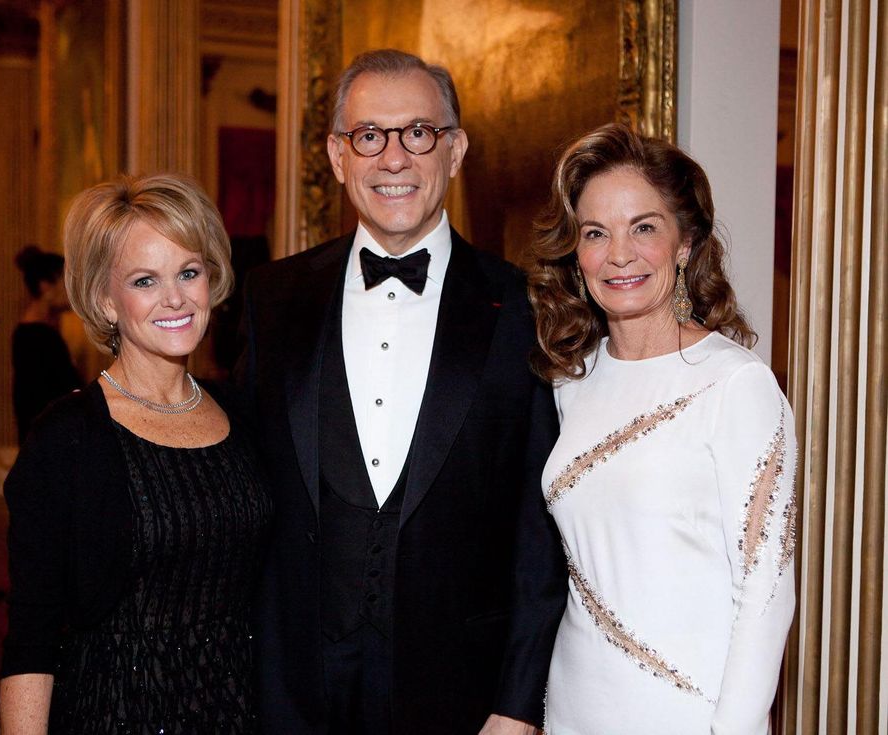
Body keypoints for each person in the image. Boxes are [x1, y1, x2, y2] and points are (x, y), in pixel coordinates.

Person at [237, 49, 567, 735]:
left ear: (455, 150)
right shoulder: (269, 298)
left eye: (419, 132)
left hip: (460, 694)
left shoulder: (525, 307)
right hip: (293, 690)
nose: (394, 158)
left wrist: (517, 702)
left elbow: (540, 531)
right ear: (336, 155)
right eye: (369, 136)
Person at [529, 123, 796, 734]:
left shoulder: (736, 385)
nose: (619, 254)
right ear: (576, 251)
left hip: (685, 712)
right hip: (571, 705)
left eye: (644, 227)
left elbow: (766, 593)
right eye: (596, 233)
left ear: (685, 242)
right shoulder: (570, 381)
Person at [0, 173, 272, 734]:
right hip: (117, 714)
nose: (175, 298)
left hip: (240, 713)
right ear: (104, 298)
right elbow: (32, 634)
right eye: (145, 280)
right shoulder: (67, 440)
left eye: (189, 273)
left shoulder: (244, 415)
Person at [12, 245, 82, 443]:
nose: (72, 293)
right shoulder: (39, 337)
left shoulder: (32, 332)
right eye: (66, 284)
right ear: (45, 286)